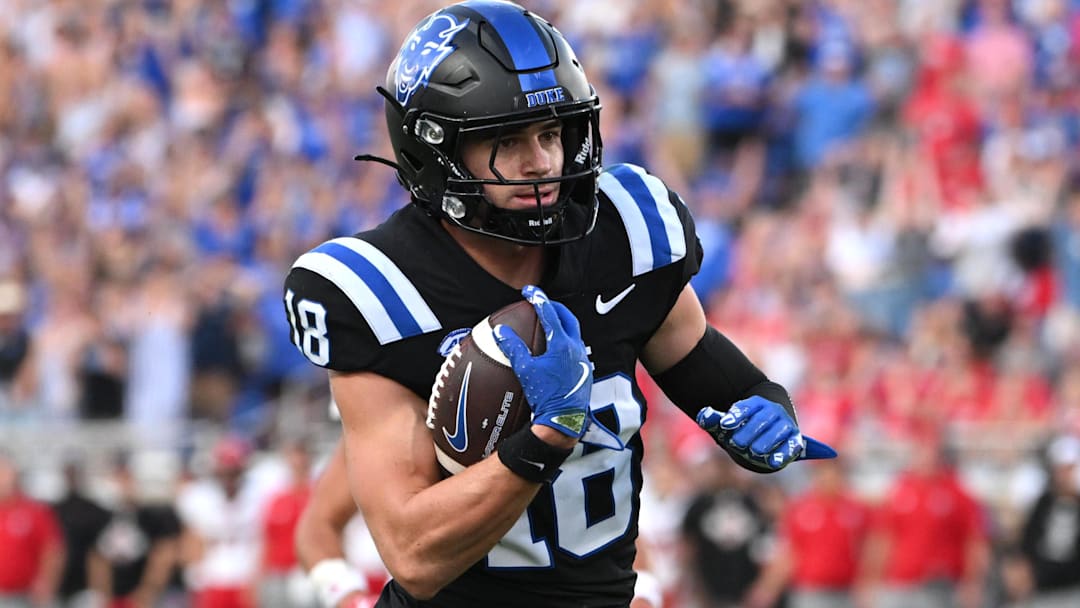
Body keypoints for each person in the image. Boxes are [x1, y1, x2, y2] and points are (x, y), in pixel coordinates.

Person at [282, 2, 835, 606]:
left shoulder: (624, 232)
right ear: (434, 149)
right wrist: (545, 436)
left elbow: (714, 375)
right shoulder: (376, 291)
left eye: (551, 133)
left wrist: (765, 409)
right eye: (506, 141)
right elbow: (414, 554)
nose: (542, 162)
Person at [0, 451, 65, 608]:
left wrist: (47, 581)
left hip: (24, 595)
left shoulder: (34, 511)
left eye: (5, 473)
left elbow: (52, 549)